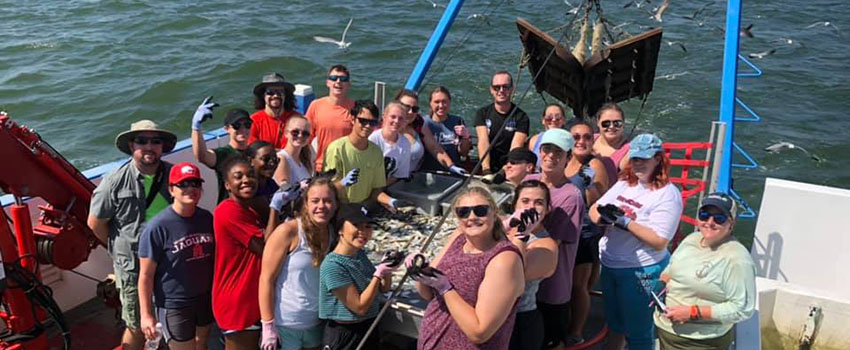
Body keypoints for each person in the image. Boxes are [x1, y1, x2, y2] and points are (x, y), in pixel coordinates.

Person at [88, 120, 176, 350]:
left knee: (170, 315)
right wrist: (121, 251)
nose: (149, 146)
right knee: (137, 325)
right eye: (141, 141)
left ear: (162, 147)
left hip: (169, 261)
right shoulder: (113, 182)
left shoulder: (173, 175)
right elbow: (96, 224)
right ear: (131, 146)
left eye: (155, 141)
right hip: (133, 269)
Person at [589, 133, 682, 350]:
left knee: (638, 331)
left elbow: (659, 241)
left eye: (644, 159)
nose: (638, 164)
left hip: (641, 270)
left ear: (658, 159)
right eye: (635, 158)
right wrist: (603, 217)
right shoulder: (624, 183)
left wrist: (623, 222)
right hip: (611, 264)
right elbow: (594, 209)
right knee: (614, 323)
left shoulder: (668, 195)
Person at [412, 186, 525, 349]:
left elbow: (480, 332)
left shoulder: (504, 259)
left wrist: (446, 288)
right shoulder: (458, 239)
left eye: (480, 210)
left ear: (494, 212)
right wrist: (420, 274)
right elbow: (428, 294)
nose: (471, 217)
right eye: (463, 212)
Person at [654, 193, 756, 350]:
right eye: (704, 215)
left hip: (699, 342)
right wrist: (662, 281)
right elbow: (672, 267)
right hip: (667, 332)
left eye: (719, 218)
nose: (710, 222)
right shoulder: (692, 238)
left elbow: (742, 308)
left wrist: (693, 312)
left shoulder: (737, 259)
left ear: (731, 223)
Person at [138, 162, 214, 350]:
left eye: (195, 183)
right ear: (171, 190)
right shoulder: (157, 227)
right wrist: (146, 315)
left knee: (202, 343)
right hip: (175, 304)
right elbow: (145, 276)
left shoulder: (207, 218)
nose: (190, 188)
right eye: (183, 184)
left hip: (205, 298)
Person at [522, 129, 584, 349]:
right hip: (524, 284)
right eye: (546, 149)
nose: (550, 156)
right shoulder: (529, 180)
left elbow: (551, 244)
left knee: (550, 341)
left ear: (568, 157)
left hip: (551, 287)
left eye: (558, 152)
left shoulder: (571, 195)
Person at [259, 178, 339, 350]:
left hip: (316, 325)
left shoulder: (333, 233)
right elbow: (266, 279)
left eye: (328, 201)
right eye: (315, 201)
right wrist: (268, 327)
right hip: (285, 326)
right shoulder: (288, 231)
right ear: (305, 204)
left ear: (335, 204)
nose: (321, 206)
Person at [318, 204, 398, 350]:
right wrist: (378, 274)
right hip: (345, 335)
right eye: (356, 225)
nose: (363, 231)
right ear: (340, 229)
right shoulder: (332, 265)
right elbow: (359, 307)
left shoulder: (360, 255)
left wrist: (388, 269)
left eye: (367, 226)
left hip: (368, 328)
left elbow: (383, 289)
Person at [212, 157, 266, 349]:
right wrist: (275, 209)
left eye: (251, 175)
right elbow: (265, 249)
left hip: (252, 298)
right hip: (238, 302)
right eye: (238, 177)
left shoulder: (250, 210)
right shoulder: (227, 211)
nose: (246, 180)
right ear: (227, 185)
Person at [564, 119, 610, 345]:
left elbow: (599, 203)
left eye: (587, 137)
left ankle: (576, 331)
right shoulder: (562, 160)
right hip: (563, 231)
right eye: (576, 137)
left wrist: (590, 184)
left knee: (578, 285)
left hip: (584, 233)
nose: (581, 141)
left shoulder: (595, 165)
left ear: (593, 140)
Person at [323, 100, 407, 212]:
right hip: (339, 208)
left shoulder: (376, 152)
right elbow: (326, 190)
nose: (367, 126)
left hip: (365, 208)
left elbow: (376, 190)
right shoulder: (336, 149)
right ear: (352, 119)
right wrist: (343, 183)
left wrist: (391, 201)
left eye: (372, 122)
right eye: (363, 121)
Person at [504, 181, 558, 350]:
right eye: (525, 201)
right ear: (515, 205)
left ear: (548, 209)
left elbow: (510, 277)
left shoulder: (547, 246)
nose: (531, 207)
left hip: (518, 323)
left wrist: (522, 235)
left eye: (539, 202)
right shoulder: (501, 228)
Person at [190, 98, 251, 203]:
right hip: (230, 209)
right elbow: (202, 156)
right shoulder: (224, 153)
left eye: (247, 124)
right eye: (237, 126)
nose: (243, 129)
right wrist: (196, 127)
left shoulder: (256, 152)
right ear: (227, 129)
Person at [395, 89, 466, 175]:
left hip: (412, 178)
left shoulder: (419, 123)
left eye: (414, 109)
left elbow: (434, 148)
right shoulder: (385, 129)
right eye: (406, 107)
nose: (410, 112)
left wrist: (451, 166)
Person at [474, 71, 530, 174]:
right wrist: (486, 169)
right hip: (486, 165)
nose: (501, 90)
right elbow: (483, 141)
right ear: (491, 90)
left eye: (505, 87)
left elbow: (516, 146)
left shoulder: (522, 117)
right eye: (497, 87)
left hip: (509, 167)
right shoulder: (482, 113)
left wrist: (505, 170)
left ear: (512, 89)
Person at [307, 65, 356, 172]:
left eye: (343, 79)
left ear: (348, 84)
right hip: (321, 166)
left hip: (347, 167)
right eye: (333, 78)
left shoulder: (356, 108)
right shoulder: (315, 105)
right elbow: (307, 138)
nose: (338, 82)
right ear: (327, 83)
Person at [420, 86, 472, 173]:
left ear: (449, 102)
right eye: (437, 102)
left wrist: (466, 137)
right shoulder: (422, 123)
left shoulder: (457, 121)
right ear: (430, 103)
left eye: (444, 102)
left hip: (454, 172)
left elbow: (464, 153)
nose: (441, 106)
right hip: (428, 172)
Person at [249, 72, 300, 150]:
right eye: (270, 92)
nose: (275, 96)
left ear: (286, 95)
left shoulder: (296, 119)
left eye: (280, 92)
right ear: (263, 95)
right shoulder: (253, 121)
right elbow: (254, 150)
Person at [368, 101, 412, 185]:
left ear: (404, 122)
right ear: (384, 117)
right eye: (393, 117)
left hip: (385, 186)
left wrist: (380, 187)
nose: (396, 121)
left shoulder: (405, 144)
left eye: (401, 118)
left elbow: (398, 175)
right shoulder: (373, 139)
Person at [592, 103, 631, 186]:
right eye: (606, 123)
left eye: (617, 123)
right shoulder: (590, 139)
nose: (611, 127)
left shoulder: (628, 151)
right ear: (598, 123)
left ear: (623, 124)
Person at [273, 115, 314, 186]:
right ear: (286, 133)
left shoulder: (305, 162)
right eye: (295, 132)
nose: (300, 136)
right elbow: (284, 190)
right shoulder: (282, 158)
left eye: (305, 133)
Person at [528, 103, 567, 169]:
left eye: (558, 117)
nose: (554, 120)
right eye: (549, 117)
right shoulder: (534, 140)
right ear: (543, 120)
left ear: (563, 120)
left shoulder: (570, 141)